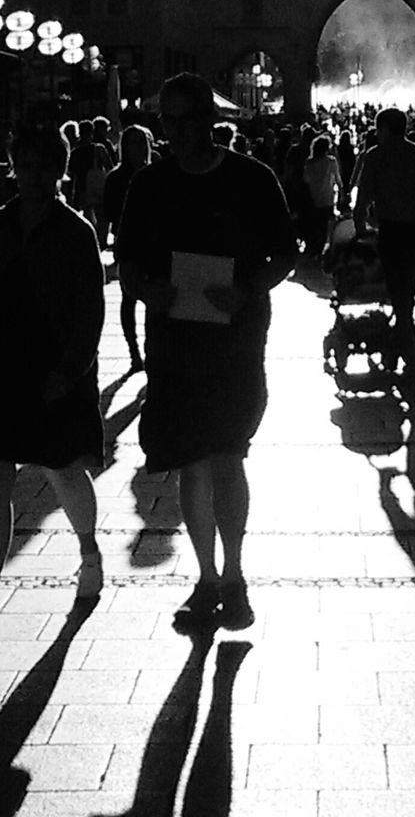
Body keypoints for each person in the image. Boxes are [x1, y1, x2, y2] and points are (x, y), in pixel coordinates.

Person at [116, 73, 297, 629]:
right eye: (169, 121)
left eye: (189, 118)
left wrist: (245, 290)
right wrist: (150, 290)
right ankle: (206, 577)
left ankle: (236, 572)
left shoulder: (252, 179)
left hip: (235, 342)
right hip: (175, 342)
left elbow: (285, 253)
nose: (179, 130)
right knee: (192, 461)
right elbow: (127, 261)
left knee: (228, 455)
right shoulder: (149, 186)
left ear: (210, 120)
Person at [0, 125, 105, 599]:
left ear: (61, 171)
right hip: (4, 366)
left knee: (63, 468)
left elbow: (90, 310)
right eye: (24, 167)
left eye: (43, 167)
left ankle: (88, 553)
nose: (32, 176)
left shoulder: (75, 233)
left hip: (54, 368)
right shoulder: (0, 224)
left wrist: (71, 370)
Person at [354, 107, 415, 384]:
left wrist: (360, 230)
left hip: (391, 233)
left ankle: (413, 361)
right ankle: (395, 353)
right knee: (404, 297)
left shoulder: (376, 156)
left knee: (401, 301)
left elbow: (362, 199)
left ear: (385, 129)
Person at [102, 125, 153, 370]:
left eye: (141, 143)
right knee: (128, 298)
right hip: (129, 245)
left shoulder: (157, 173)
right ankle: (134, 351)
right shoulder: (117, 177)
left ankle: (151, 350)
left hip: (155, 245)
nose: (138, 149)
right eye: (133, 144)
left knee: (154, 300)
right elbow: (110, 211)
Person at [67, 118, 113, 246]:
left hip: (82, 189)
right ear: (92, 132)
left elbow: (71, 175)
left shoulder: (75, 152)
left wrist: (71, 196)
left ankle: (91, 241)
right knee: (102, 218)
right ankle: (100, 242)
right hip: (99, 188)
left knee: (87, 219)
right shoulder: (99, 149)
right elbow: (110, 168)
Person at [303, 133, 341, 258]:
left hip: (312, 197)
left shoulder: (309, 162)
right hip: (327, 197)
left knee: (314, 223)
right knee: (325, 224)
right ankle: (322, 249)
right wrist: (341, 191)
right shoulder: (331, 161)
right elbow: (337, 179)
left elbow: (306, 180)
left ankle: (314, 247)